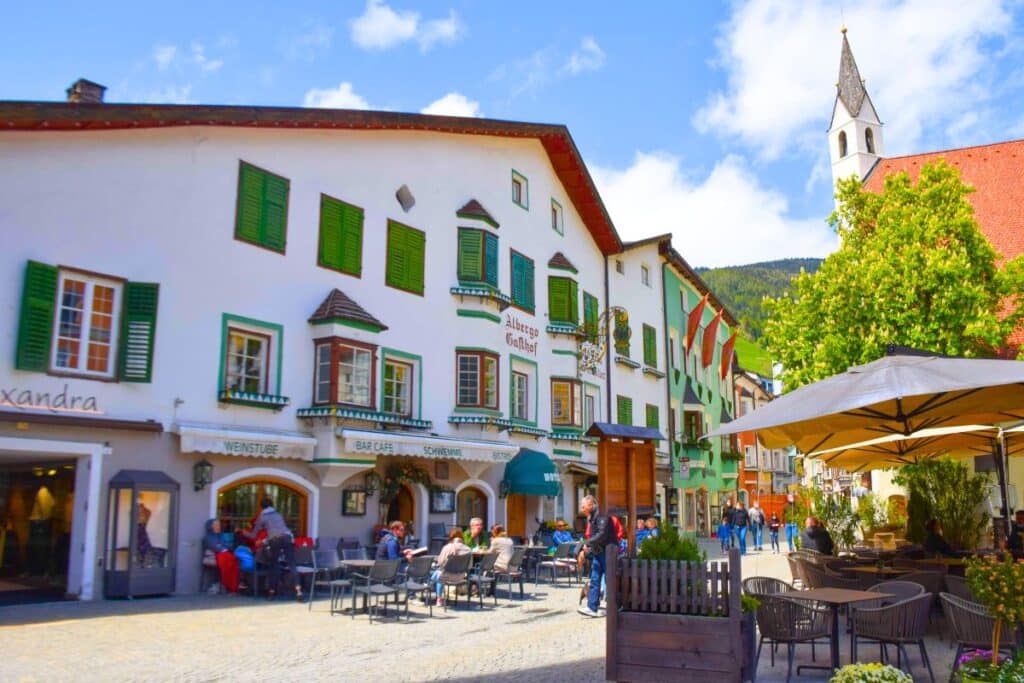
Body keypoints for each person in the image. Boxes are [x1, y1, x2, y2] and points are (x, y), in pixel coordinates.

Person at [240, 497, 302, 600]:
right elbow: (281, 529)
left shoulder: (262, 516)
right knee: (292, 565)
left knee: (274, 565)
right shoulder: (278, 514)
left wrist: (243, 532)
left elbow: (253, 535)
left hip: (275, 539)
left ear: (261, 507)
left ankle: (271, 593)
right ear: (272, 505)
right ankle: (299, 591)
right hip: (288, 537)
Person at [578, 495, 613, 618]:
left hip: (608, 551)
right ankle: (592, 607)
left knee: (610, 580)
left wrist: (588, 543)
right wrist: (590, 546)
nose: (582, 508)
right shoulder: (592, 516)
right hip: (599, 551)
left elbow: (602, 534)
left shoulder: (601, 514)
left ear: (591, 504)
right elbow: (595, 535)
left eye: (583, 506)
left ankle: (615, 607)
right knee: (595, 578)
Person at [431, 527, 470, 606]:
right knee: (439, 574)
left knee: (437, 574)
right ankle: (438, 595)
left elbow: (440, 562)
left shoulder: (447, 547)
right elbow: (469, 566)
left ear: (451, 537)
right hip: (460, 577)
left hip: (446, 576)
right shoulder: (468, 549)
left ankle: (438, 598)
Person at [203, 518, 240, 593]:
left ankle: (233, 585)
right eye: (216, 525)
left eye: (219, 525)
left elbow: (227, 545)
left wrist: (222, 546)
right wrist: (223, 547)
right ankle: (228, 585)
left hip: (226, 555)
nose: (218, 526)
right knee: (228, 563)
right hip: (216, 556)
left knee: (234, 563)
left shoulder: (221, 535)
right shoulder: (208, 537)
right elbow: (215, 546)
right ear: (211, 527)